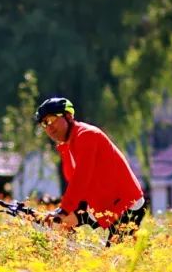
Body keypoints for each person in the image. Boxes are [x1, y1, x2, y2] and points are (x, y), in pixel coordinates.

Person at [34, 96, 146, 245]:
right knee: (56, 226)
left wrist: (64, 210)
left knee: (115, 261)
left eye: (52, 119)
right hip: (102, 204)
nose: (49, 127)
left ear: (68, 116)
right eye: (44, 123)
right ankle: (71, 260)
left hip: (125, 205)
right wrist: (62, 213)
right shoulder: (67, 146)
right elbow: (75, 182)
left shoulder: (86, 135)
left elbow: (81, 177)